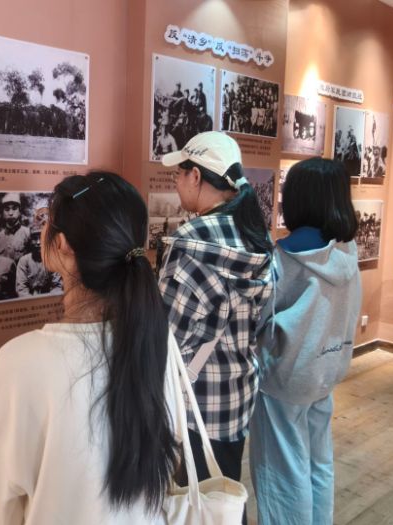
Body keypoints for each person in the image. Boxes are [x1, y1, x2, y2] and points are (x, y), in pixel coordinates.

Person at [0, 172, 179, 525]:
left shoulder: (17, 363)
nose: (42, 227)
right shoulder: (156, 338)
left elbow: (8, 506)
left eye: (47, 220)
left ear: (64, 245)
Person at [159, 132, 273, 523]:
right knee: (223, 492)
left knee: (199, 501)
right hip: (237, 392)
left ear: (195, 176)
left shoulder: (190, 241)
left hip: (196, 399)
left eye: (179, 173)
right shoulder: (255, 233)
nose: (175, 181)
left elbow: (167, 334)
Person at [249, 158, 361, 525]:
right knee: (319, 461)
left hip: (285, 378)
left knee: (282, 471)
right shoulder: (347, 252)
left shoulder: (283, 258)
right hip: (327, 371)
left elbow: (259, 318)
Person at [15, 222, 63, 297]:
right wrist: (32, 301)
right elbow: (21, 289)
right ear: (30, 240)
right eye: (34, 238)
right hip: (29, 300)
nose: (38, 242)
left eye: (41, 238)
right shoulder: (24, 261)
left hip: (49, 299)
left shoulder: (53, 260)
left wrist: (48, 300)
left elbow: (57, 286)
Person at [0, 192, 30, 262]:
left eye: (14, 209)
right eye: (7, 209)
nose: (10, 213)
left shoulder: (28, 234)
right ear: (2, 213)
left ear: (19, 211)